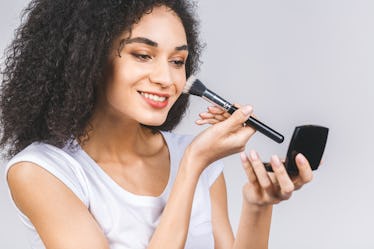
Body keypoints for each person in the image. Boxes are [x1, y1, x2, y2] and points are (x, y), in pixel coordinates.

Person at [0, 0, 314, 248]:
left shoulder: (198, 158)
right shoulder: (42, 171)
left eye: (177, 61)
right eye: (142, 55)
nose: (167, 79)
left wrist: (258, 205)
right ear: (87, 60)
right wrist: (191, 166)